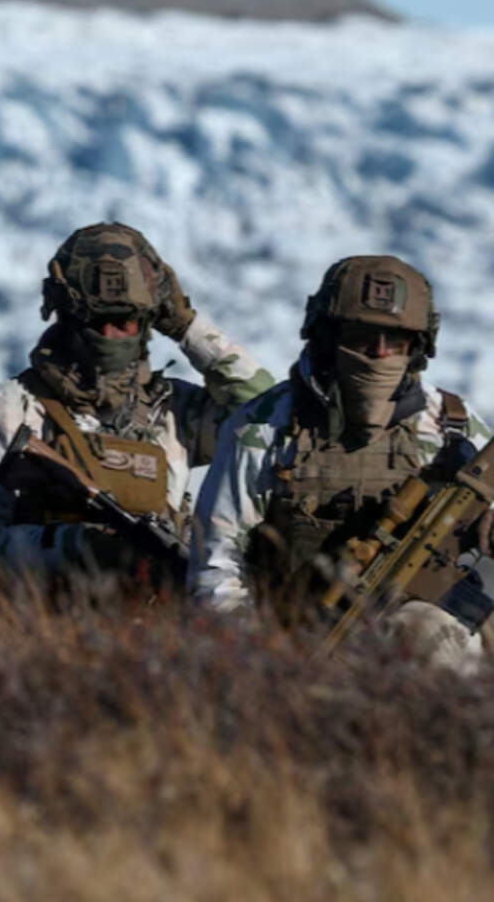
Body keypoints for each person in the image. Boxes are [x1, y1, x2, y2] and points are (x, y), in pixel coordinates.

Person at [192, 255, 492, 669]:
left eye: (396, 342)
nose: (379, 354)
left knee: (432, 636)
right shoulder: (266, 427)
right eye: (361, 338)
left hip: (416, 625)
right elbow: (217, 562)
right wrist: (252, 659)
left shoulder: (451, 428)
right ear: (327, 338)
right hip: (295, 640)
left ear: (418, 348)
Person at [0, 222, 272, 589]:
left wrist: (187, 326)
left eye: (125, 321)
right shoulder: (5, 412)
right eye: (97, 321)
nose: (111, 336)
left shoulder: (176, 410)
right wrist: (66, 547)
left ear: (148, 322)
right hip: (40, 628)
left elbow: (267, 416)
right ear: (66, 317)